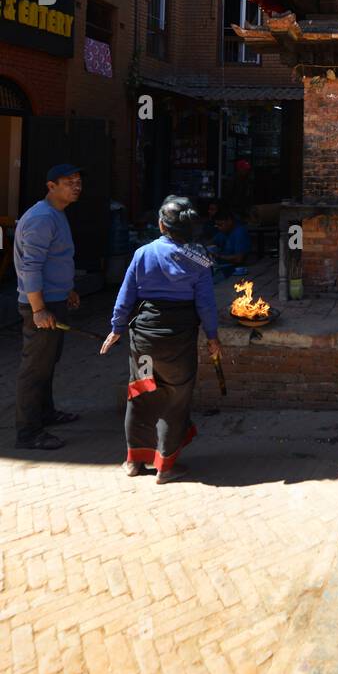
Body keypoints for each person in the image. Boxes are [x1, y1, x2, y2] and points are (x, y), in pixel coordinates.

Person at [101, 195, 221, 484]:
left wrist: (117, 328)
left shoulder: (143, 253)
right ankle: (165, 467)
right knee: (176, 398)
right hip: (178, 342)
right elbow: (206, 303)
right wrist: (212, 336)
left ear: (160, 225)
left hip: (144, 341)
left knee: (142, 393)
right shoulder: (200, 257)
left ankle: (134, 462)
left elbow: (126, 296)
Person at [13, 163, 84, 449]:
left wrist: (67, 290)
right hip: (41, 306)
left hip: (54, 300)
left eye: (78, 181)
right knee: (34, 369)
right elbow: (30, 266)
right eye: (69, 182)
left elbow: (56, 260)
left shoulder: (57, 214)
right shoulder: (42, 218)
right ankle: (28, 432)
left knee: (47, 364)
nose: (76, 186)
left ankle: (45, 412)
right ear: (51, 186)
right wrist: (39, 308)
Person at [211, 207, 251, 283]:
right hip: (223, 265)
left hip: (235, 269)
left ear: (229, 221)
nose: (219, 228)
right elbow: (212, 241)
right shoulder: (224, 231)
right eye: (217, 226)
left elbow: (239, 259)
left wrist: (217, 256)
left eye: (220, 225)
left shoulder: (240, 233)